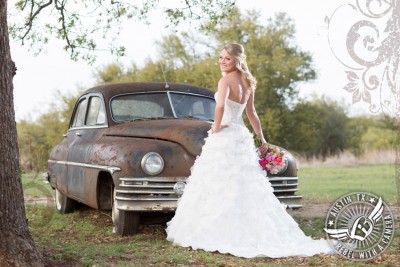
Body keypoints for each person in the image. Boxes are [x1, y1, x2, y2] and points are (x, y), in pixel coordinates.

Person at [165, 43, 334, 258]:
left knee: (218, 181)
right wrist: (261, 139)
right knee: (243, 183)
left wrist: (216, 127)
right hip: (241, 135)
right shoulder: (247, 82)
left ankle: (216, 230)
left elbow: (219, 106)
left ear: (237, 59)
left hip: (225, 136)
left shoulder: (225, 80)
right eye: (220, 57)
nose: (222, 61)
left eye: (227, 58)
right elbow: (252, 113)